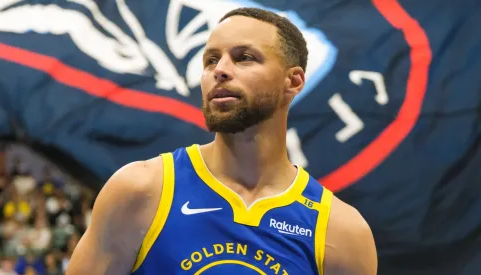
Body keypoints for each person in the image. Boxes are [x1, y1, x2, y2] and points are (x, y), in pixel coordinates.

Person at [66, 7, 377, 275]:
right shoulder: (141, 190)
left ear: (293, 81)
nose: (220, 71)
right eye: (211, 60)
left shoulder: (341, 231)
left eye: (244, 58)